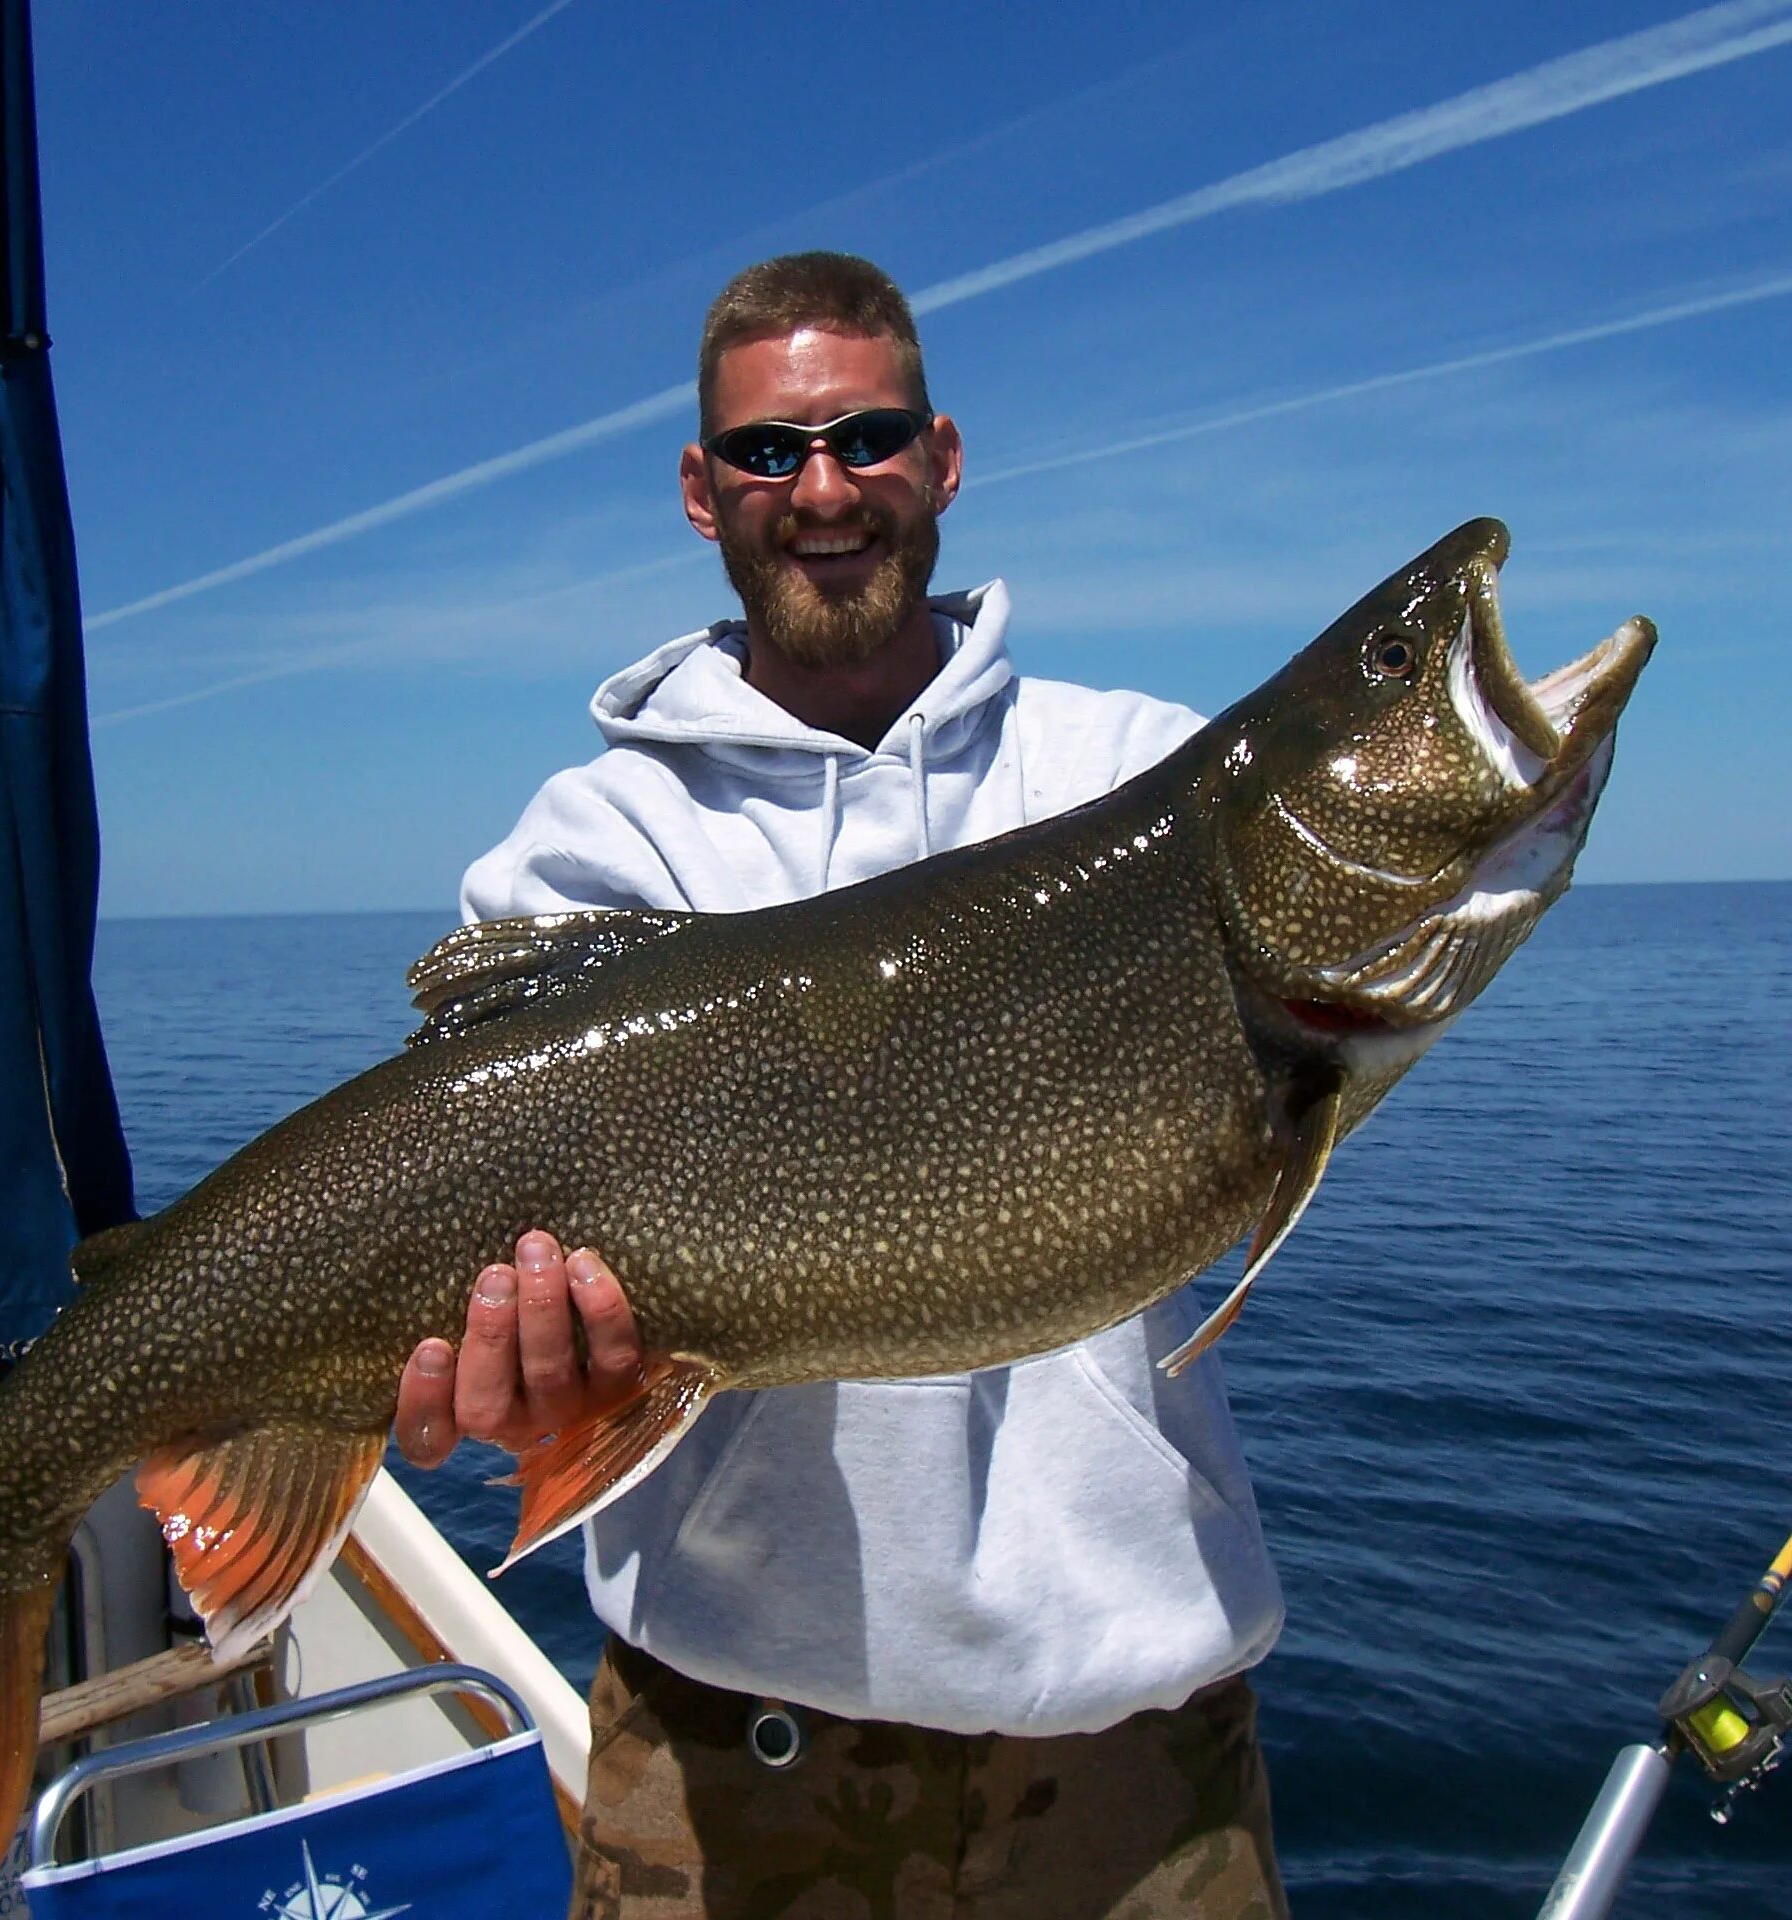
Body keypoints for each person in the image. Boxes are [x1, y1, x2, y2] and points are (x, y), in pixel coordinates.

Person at [393, 252, 1289, 1918]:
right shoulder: (590, 849)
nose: (822, 491)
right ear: (699, 488)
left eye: (868, 440)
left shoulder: (1144, 784)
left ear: (944, 459)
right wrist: (523, 1388)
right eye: (767, 452)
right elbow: (498, 1345)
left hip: (1138, 1748)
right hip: (731, 1746)